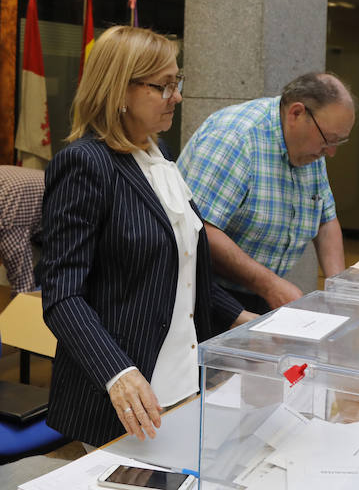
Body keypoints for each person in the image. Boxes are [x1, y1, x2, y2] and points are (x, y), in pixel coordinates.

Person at [40, 26, 255, 448]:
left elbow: (180, 271)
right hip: (123, 394)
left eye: (178, 82)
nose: (177, 96)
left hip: (183, 378)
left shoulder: (160, 159)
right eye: (164, 86)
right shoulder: (85, 165)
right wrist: (117, 373)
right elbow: (62, 295)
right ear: (120, 91)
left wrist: (243, 319)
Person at [177, 72, 355, 315]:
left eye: (339, 142)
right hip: (203, 293)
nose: (331, 152)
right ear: (296, 113)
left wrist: (338, 289)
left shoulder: (312, 146)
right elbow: (200, 228)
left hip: (258, 289)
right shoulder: (236, 136)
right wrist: (270, 284)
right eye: (328, 140)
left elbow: (326, 218)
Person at [0, 165, 44, 295]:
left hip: (70, 218)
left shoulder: (7, 220)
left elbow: (23, 285)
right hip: (34, 209)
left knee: (34, 292)